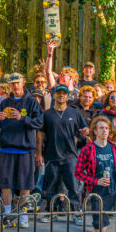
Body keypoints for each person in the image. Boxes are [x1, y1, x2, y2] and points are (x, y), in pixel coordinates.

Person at [0, 73, 44, 229]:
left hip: (25, 149)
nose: (15, 86)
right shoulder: (5, 102)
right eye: (12, 83)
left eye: (17, 83)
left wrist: (22, 118)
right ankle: (7, 213)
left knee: (25, 184)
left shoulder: (31, 102)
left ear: (23, 83)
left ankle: (22, 214)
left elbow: (39, 123)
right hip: (7, 148)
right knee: (5, 183)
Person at [38, 85, 84, 222]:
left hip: (70, 155)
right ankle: (51, 213)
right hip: (51, 155)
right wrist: (39, 153)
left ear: (68, 96)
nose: (61, 95)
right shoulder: (46, 114)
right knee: (51, 187)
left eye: (64, 93)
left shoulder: (74, 112)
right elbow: (40, 135)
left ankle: (77, 213)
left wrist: (84, 134)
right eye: (59, 93)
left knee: (73, 187)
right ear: (54, 95)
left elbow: (83, 130)